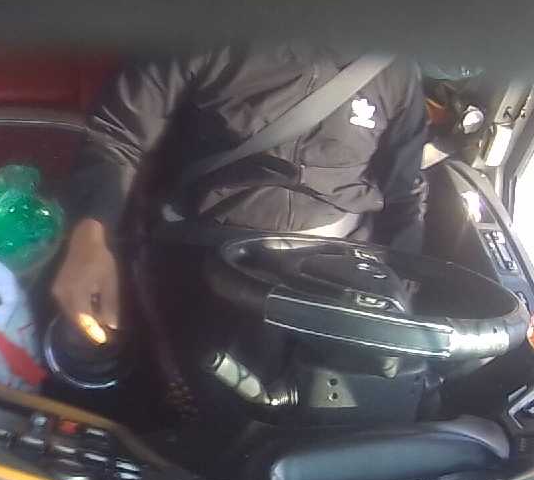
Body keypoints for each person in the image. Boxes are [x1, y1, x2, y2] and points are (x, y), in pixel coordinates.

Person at [52, 42, 429, 339]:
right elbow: (117, 136)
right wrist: (88, 239)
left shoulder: (393, 66)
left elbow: (404, 193)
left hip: (341, 265)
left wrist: (401, 290)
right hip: (207, 255)